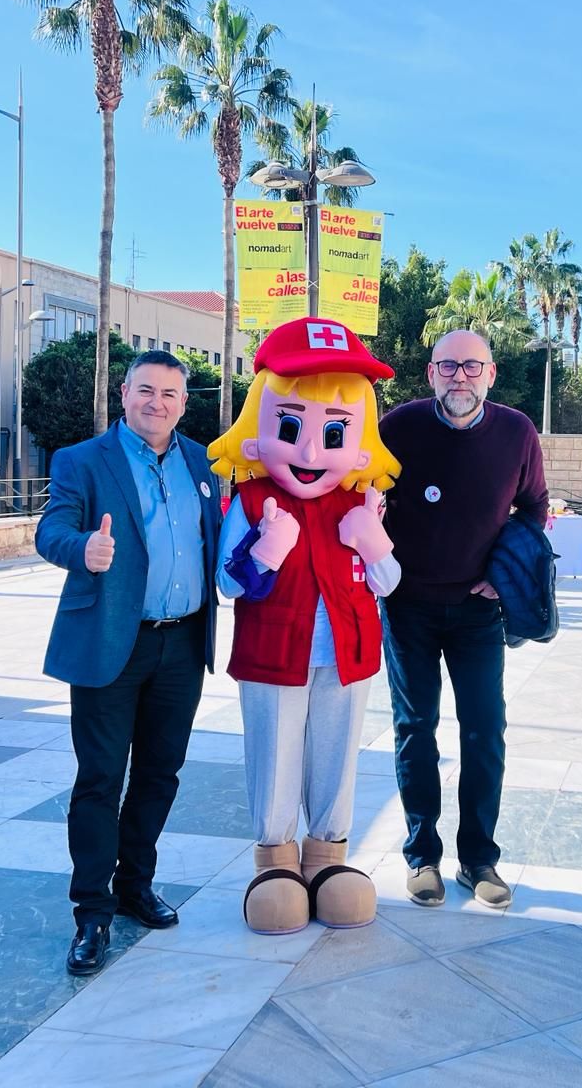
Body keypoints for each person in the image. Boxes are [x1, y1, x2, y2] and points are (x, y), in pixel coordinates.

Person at [208, 318, 403, 935]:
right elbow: (227, 583)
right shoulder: (253, 500)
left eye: (334, 432)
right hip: (273, 654)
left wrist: (374, 543)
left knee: (336, 754)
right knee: (274, 755)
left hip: (346, 655)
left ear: (361, 442)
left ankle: (327, 857)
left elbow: (388, 582)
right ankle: (275, 863)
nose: (312, 453)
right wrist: (265, 551)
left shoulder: (359, 501)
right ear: (257, 431)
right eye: (290, 429)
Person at [35, 351, 221, 975]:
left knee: (160, 774)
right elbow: (50, 530)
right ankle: (92, 912)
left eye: (169, 393)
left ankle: (135, 886)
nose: (156, 403)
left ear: (184, 403)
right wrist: (82, 547)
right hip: (111, 642)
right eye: (146, 390)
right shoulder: (83, 460)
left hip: (183, 644)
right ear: (124, 393)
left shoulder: (203, 462)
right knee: (100, 779)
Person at [380, 329, 548, 910]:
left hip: (479, 610)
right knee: (414, 728)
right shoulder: (398, 427)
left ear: (491, 374)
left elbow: (534, 506)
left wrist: (503, 573)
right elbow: (363, 492)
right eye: (448, 366)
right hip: (407, 606)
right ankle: (421, 856)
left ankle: (478, 859)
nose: (461, 377)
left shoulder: (517, 432)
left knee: (483, 732)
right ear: (431, 373)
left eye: (472, 366)